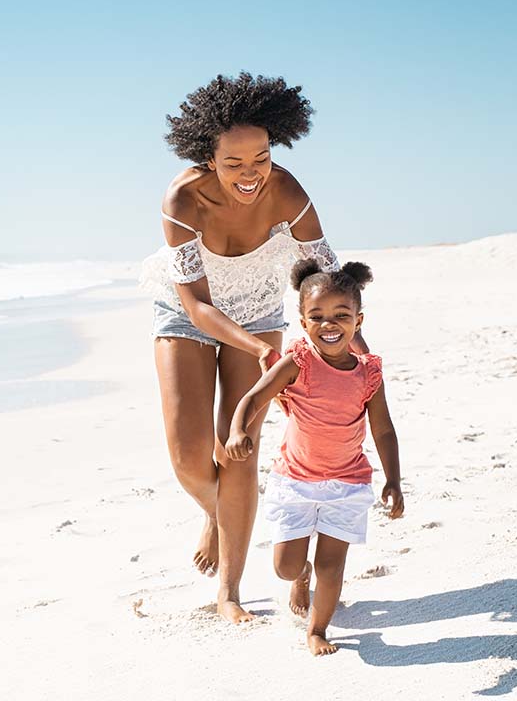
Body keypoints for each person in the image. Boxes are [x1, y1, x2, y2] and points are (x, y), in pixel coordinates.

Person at [140, 72, 367, 623]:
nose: (251, 174)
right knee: (190, 456)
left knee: (236, 444)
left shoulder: (288, 190)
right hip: (190, 313)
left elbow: (330, 280)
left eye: (260, 158)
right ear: (207, 157)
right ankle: (219, 515)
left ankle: (229, 591)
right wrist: (262, 350)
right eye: (234, 163)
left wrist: (356, 352)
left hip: (260, 307)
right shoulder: (183, 198)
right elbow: (196, 306)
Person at [226, 258, 403, 654]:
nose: (329, 324)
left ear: (359, 321)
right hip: (294, 482)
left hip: (347, 483)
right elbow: (255, 397)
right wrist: (238, 429)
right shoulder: (298, 363)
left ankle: (317, 630)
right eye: (317, 316)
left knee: (331, 566)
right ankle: (299, 575)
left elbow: (384, 429)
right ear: (303, 323)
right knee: (286, 566)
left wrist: (393, 479)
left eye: (342, 315)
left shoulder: (368, 373)